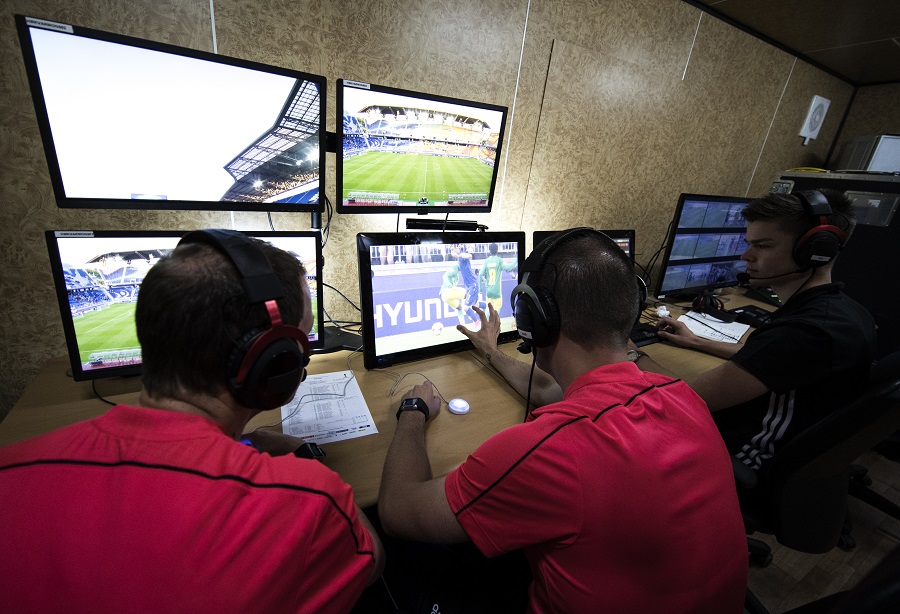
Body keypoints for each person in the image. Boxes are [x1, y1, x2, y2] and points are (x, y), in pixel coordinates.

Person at [0, 230, 384, 613]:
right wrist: (304, 454)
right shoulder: (311, 496)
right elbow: (372, 562)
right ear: (273, 363)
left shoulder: (10, 468)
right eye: (299, 349)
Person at [379, 229, 747, 613]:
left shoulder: (545, 452)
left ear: (534, 320)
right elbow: (546, 388)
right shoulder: (682, 395)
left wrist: (412, 413)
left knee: (408, 559)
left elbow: (396, 509)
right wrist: (491, 351)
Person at [638, 189, 877, 472]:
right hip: (798, 448)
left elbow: (685, 399)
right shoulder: (842, 312)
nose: (746, 255)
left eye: (762, 246)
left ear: (814, 251)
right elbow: (768, 359)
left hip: (748, 458)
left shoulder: (804, 333)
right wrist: (696, 341)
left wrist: (630, 352)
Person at [477, 241, 517, 316]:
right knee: (496, 310)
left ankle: (486, 322)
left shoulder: (486, 261)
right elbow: (509, 268)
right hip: (497, 291)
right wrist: (517, 260)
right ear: (497, 250)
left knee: (489, 309)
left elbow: (480, 274)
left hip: (489, 291)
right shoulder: (499, 261)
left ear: (489, 250)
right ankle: (494, 322)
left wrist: (480, 289)